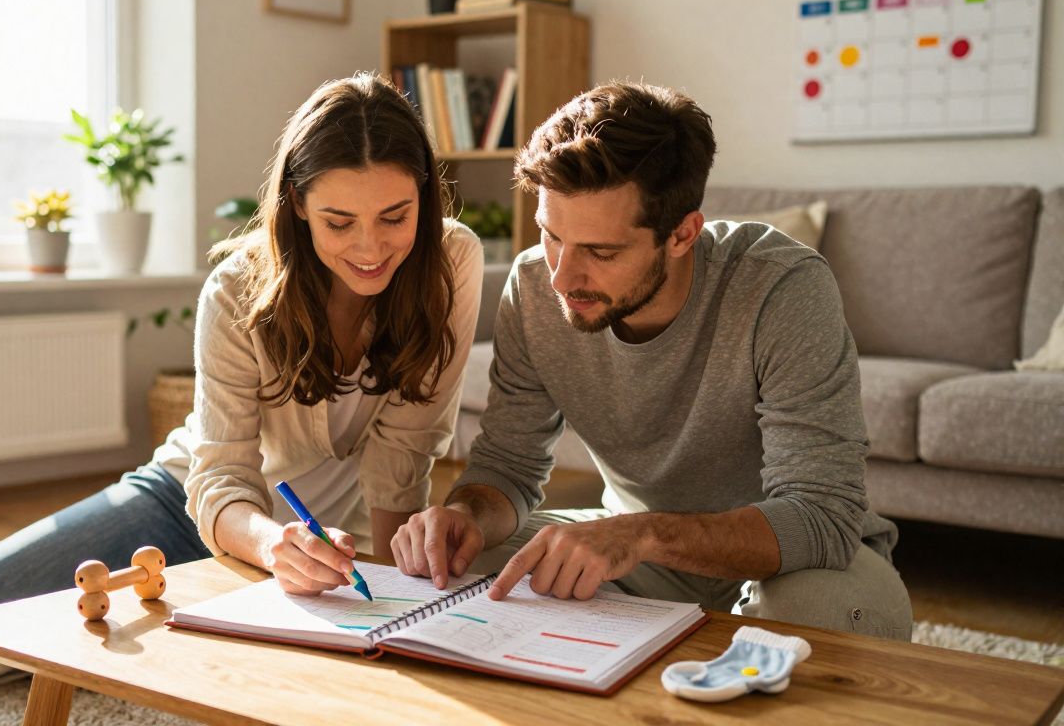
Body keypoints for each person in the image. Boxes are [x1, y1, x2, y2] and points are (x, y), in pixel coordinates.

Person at [0, 73, 483, 683]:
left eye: (394, 217)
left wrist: (391, 596)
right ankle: (184, 598)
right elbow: (220, 474)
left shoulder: (449, 261)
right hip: (197, 507)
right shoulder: (237, 291)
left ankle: (193, 602)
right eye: (338, 222)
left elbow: (406, 445)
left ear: (424, 199)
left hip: (326, 541)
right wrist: (271, 548)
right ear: (298, 205)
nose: (370, 247)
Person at [390, 81, 912, 640]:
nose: (563, 276)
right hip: (637, 555)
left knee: (825, 618)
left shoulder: (781, 287)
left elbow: (821, 518)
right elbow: (508, 471)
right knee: (469, 577)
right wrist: (466, 518)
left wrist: (640, 535)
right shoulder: (535, 286)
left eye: (602, 251)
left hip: (793, 563)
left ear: (683, 233)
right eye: (551, 236)